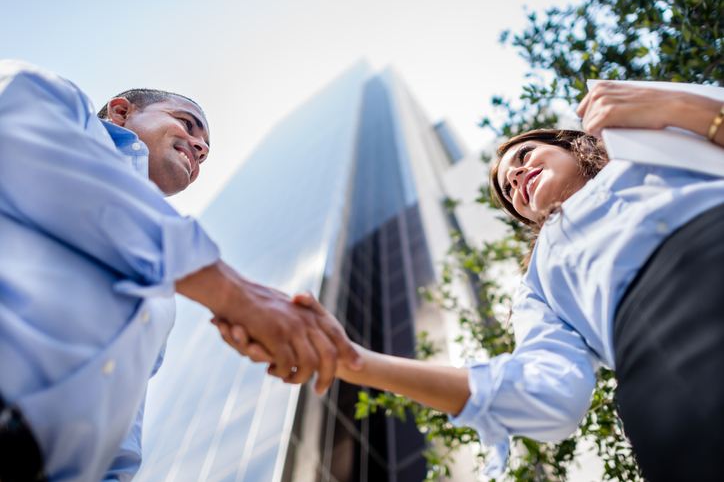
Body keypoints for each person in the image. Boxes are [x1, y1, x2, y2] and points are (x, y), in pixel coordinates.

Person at [222, 81, 724, 481]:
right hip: (669, 371)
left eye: (525, 156)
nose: (517, 178)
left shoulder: (651, 141)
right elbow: (548, 397)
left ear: (572, 143)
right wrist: (358, 362)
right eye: (510, 188)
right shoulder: (540, 285)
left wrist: (681, 105)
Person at [0, 60, 362, 482]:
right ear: (121, 113)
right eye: (188, 124)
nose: (200, 147)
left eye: (205, 148)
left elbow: (122, 416)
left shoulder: (160, 299)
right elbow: (20, 134)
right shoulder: (49, 98)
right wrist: (234, 294)